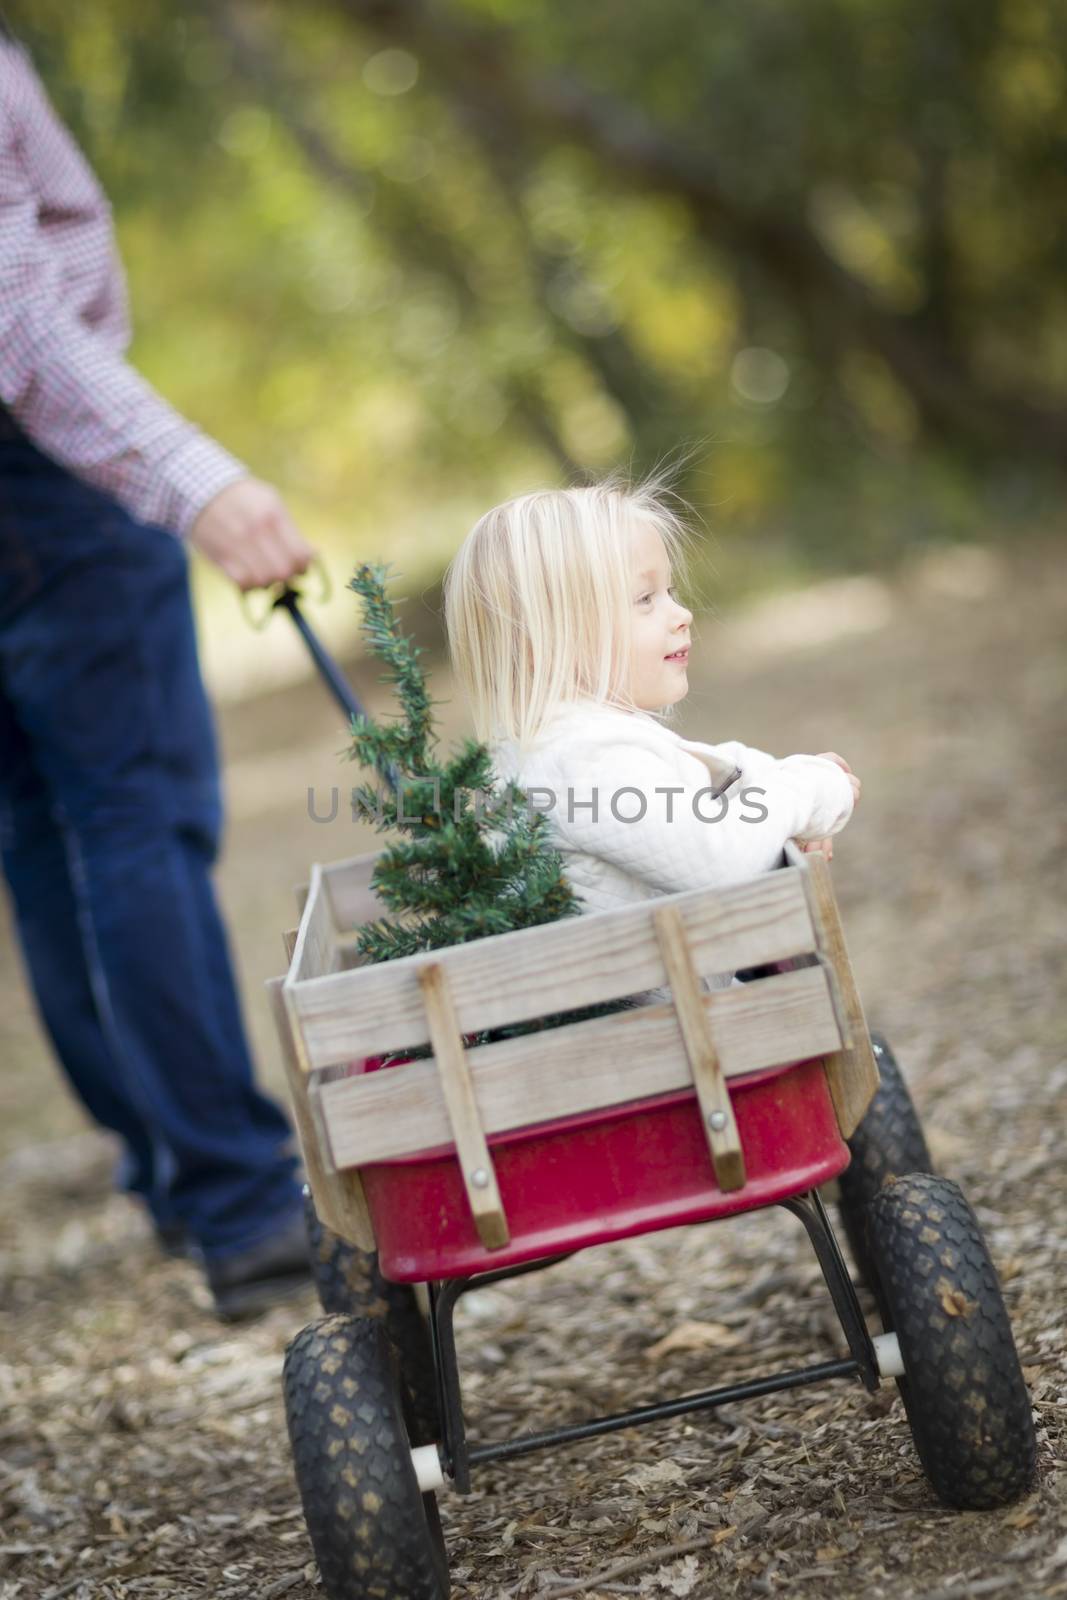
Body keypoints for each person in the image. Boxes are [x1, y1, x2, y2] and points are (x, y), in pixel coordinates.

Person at [0, 27, 316, 1317]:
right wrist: (201, 483)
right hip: (41, 473)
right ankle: (240, 1201)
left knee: (37, 826)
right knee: (129, 818)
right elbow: (18, 323)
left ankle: (171, 1168)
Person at [442, 478, 861, 994]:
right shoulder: (584, 761)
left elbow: (707, 768)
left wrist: (776, 783)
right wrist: (809, 790)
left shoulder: (557, 748)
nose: (681, 614)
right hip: (661, 1042)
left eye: (670, 592)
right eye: (644, 599)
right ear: (549, 640)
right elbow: (719, 856)